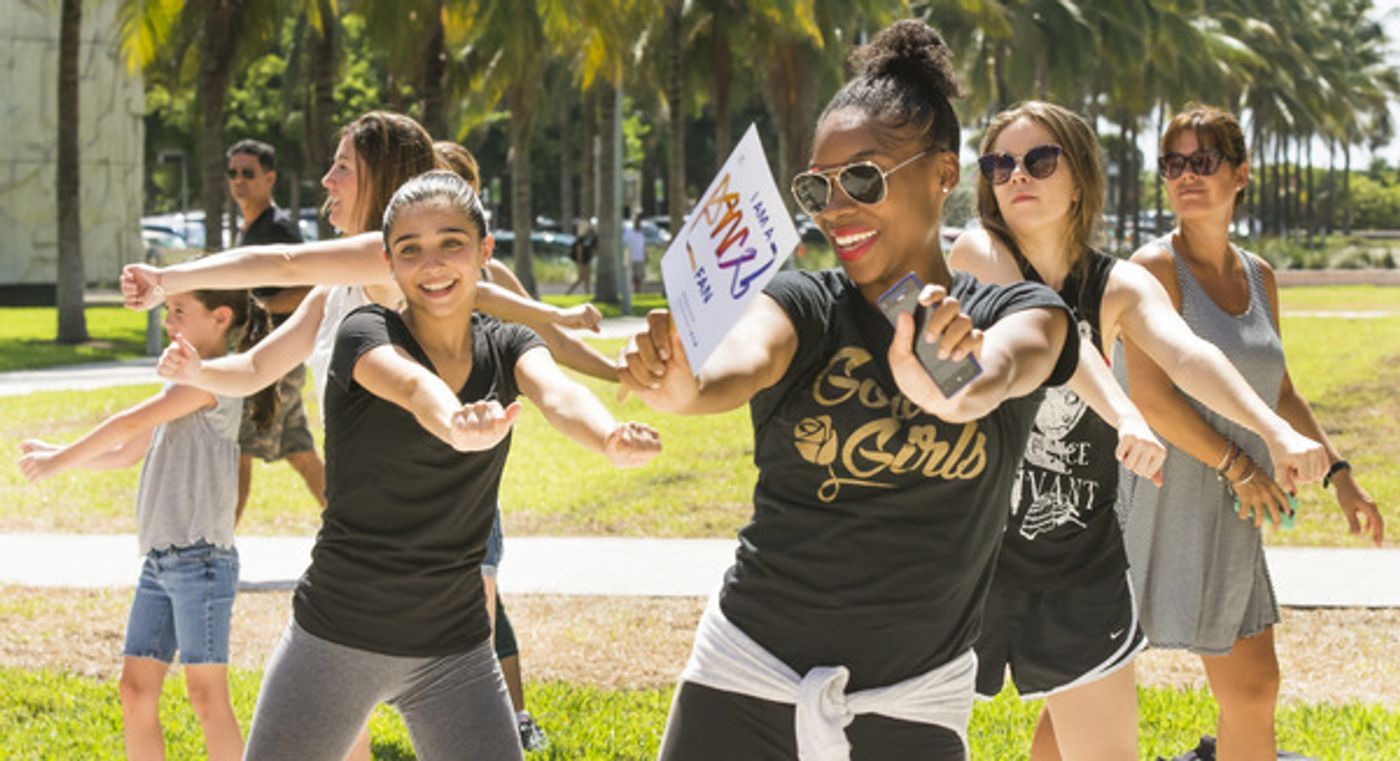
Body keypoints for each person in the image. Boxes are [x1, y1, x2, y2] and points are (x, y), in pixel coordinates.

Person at [622, 20, 1082, 760]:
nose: (835, 208)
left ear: (942, 173)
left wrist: (949, 388)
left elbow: (998, 373)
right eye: (816, 187)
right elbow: (742, 358)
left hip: (913, 700)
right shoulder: (806, 304)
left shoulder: (1020, 313)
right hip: (746, 674)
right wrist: (686, 384)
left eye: (863, 178)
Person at [167, 170, 659, 760]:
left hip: (455, 650)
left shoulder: (507, 344)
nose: (433, 264)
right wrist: (455, 423)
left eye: (451, 242)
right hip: (336, 636)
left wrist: (609, 436)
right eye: (410, 250)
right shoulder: (363, 330)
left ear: (484, 251)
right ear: (387, 263)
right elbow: (410, 386)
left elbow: (556, 393)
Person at [950, 101, 1329, 761]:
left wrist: (1275, 429)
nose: (1016, 176)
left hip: (1073, 556)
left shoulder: (1117, 284)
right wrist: (1125, 412)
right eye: (998, 164)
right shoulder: (981, 252)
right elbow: (1046, 331)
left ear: (1079, 178)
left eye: (1039, 160)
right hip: (967, 547)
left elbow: (1188, 356)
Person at [1119, 104, 1383, 761]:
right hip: (1154, 500)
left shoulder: (1260, 275)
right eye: (1173, 163)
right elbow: (1151, 397)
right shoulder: (1149, 269)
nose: (1186, 175)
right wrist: (1240, 464)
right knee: (1098, 688)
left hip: (1235, 501)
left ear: (1241, 174)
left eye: (1203, 161)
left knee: (1254, 688)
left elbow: (1282, 390)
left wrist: (1342, 475)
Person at [18, 288, 273, 761]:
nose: (169, 320)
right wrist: (59, 456)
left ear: (220, 318)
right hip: (160, 561)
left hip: (201, 560)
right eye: (167, 311)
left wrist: (56, 462)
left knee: (205, 696)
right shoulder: (179, 389)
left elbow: (125, 425)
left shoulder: (212, 383)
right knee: (135, 691)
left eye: (179, 311)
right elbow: (124, 452)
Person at [225, 138, 326, 520]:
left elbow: (310, 287)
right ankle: (361, 537)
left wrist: (260, 308)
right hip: (272, 358)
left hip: (274, 361)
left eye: (247, 174)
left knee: (239, 448)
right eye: (233, 173)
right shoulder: (249, 228)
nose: (239, 181)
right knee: (300, 453)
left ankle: (217, 551)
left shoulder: (278, 229)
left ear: (269, 179)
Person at [566, 218, 597, 296]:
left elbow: (593, 250)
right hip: (582, 262)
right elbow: (579, 251)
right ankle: (569, 292)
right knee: (581, 278)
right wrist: (580, 262)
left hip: (587, 261)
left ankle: (588, 293)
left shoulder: (590, 238)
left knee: (586, 278)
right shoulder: (581, 239)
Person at [623, 207, 647, 294]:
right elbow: (625, 244)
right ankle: (635, 292)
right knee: (634, 278)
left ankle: (638, 292)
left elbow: (643, 246)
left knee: (639, 277)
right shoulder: (629, 232)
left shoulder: (641, 233)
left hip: (640, 258)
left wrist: (646, 255)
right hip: (632, 258)